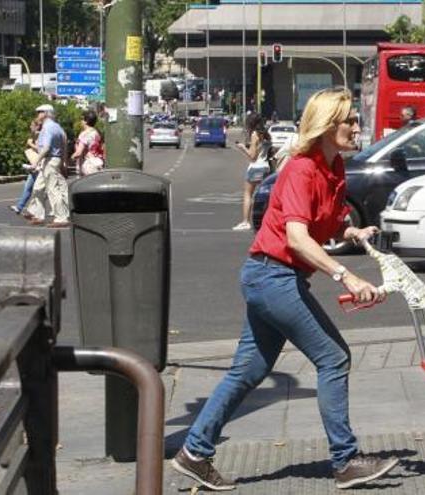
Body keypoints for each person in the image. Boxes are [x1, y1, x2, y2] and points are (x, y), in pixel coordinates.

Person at [172, 87, 398, 491]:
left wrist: (352, 230)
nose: (356, 127)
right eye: (349, 120)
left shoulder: (334, 170)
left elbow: (322, 226)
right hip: (271, 276)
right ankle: (345, 462)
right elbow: (296, 237)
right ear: (328, 126)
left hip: (278, 278)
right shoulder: (300, 170)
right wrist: (345, 275)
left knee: (249, 371)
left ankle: (194, 452)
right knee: (334, 358)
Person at [25, 104, 70, 228]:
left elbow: (46, 148)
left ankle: (61, 218)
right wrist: (64, 161)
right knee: (38, 187)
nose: (37, 115)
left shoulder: (48, 128)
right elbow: (65, 141)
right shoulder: (57, 127)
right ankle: (37, 214)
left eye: (39, 112)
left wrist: (35, 162)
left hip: (50, 160)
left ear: (45, 113)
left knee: (53, 189)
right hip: (53, 160)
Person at [232, 114, 272, 231]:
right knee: (265, 195)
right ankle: (267, 220)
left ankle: (245, 221)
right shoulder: (266, 134)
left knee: (248, 194)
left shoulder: (255, 135)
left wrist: (243, 147)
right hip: (266, 168)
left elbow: (252, 156)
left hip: (255, 168)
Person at [9, 118, 42, 215]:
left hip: (39, 166)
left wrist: (31, 144)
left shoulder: (40, 135)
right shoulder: (34, 136)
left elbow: (42, 150)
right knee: (28, 187)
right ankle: (19, 207)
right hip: (34, 167)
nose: (30, 127)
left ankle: (53, 210)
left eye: (32, 125)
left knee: (42, 190)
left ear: (37, 126)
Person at [71, 110, 105, 176]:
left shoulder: (84, 134)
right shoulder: (98, 133)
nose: (81, 121)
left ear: (86, 121)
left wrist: (71, 157)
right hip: (99, 163)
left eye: (82, 119)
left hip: (89, 165)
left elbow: (78, 153)